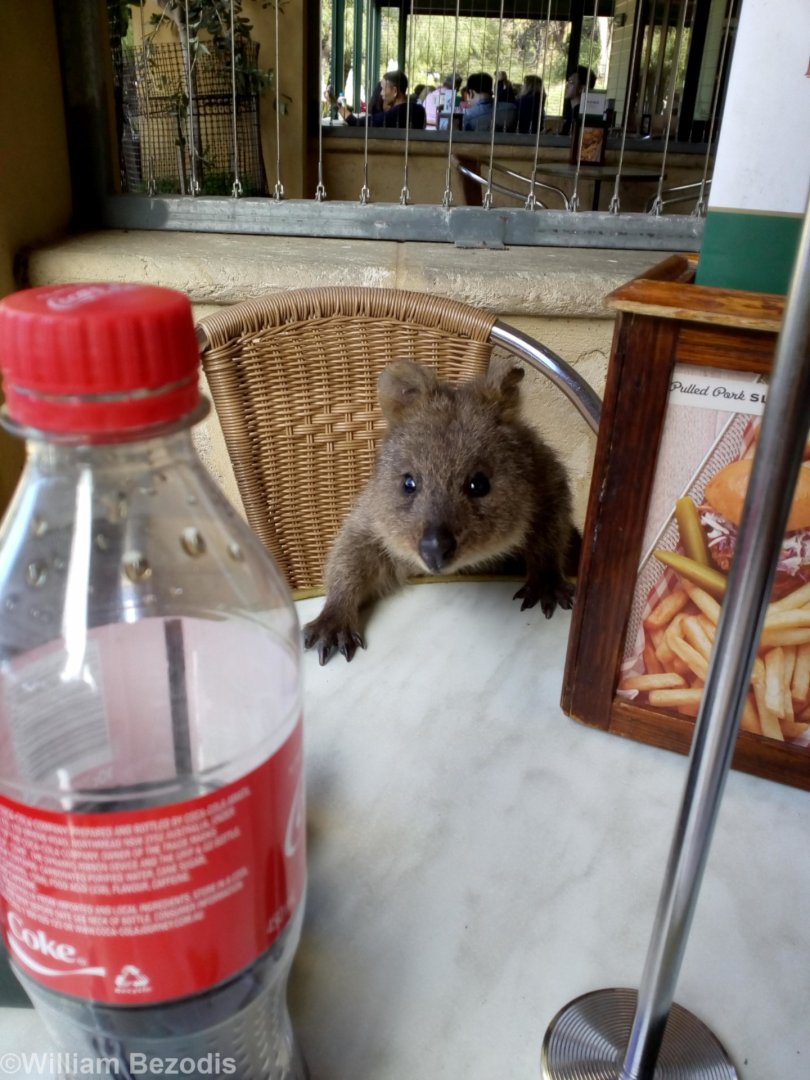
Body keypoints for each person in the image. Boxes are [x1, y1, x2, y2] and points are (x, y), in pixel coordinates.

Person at [334, 71, 426, 129]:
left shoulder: (392, 116)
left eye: (383, 88)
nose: (381, 93)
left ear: (394, 91)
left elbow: (355, 122)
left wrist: (334, 103)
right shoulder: (420, 110)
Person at [560, 65, 596, 135]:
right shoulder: (573, 111)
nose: (566, 86)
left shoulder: (579, 114)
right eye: (567, 82)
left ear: (582, 88)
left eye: (571, 82)